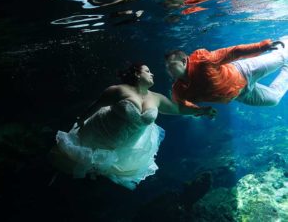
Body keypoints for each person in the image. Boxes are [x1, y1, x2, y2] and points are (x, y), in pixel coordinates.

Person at [51, 64, 215, 190]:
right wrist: (81, 120)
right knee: (71, 163)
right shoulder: (118, 90)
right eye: (148, 71)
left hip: (123, 145)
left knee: (98, 175)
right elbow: (96, 106)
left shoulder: (157, 98)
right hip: (98, 132)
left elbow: (177, 109)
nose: (152, 73)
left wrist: (201, 110)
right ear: (137, 73)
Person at [165, 37, 288, 113]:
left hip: (245, 71)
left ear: (184, 61)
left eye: (171, 65)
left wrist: (263, 46)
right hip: (241, 94)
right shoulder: (179, 90)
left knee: (281, 56)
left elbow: (234, 52)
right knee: (274, 99)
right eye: (167, 68)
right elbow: (181, 105)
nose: (169, 70)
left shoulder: (203, 61)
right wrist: (201, 111)